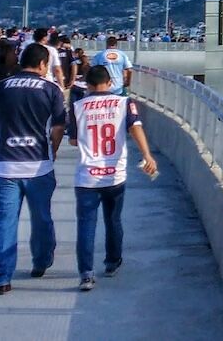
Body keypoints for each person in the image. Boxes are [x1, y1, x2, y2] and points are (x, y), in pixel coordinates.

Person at [68, 64, 160, 292]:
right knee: (113, 220)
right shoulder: (124, 103)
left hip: (87, 176)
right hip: (114, 175)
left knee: (86, 225)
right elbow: (135, 128)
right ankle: (112, 263)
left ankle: (86, 275)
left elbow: (72, 140)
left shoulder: (78, 106)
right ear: (110, 83)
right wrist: (147, 155)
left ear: (87, 85)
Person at [0, 43, 67, 293]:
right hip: (38, 166)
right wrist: (54, 151)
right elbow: (58, 127)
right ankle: (41, 261)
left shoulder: (3, 86)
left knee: (5, 222)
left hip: (5, 166)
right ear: (42, 65)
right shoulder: (51, 89)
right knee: (41, 218)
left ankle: (2, 278)